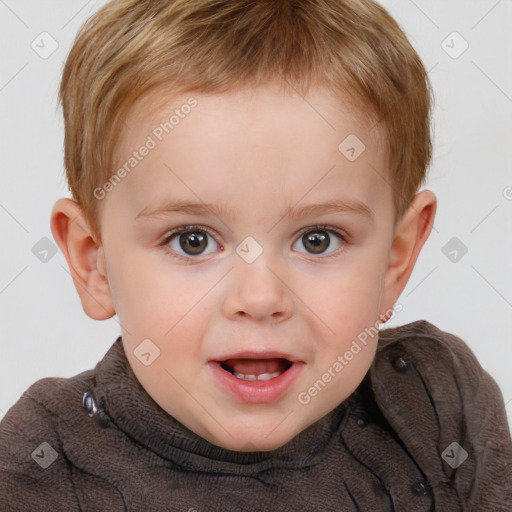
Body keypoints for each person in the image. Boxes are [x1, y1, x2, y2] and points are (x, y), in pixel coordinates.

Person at [1, 0, 510, 510]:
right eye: (192, 240)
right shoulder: (43, 466)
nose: (261, 297)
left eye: (318, 239)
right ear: (95, 263)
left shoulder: (434, 404)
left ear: (395, 260)